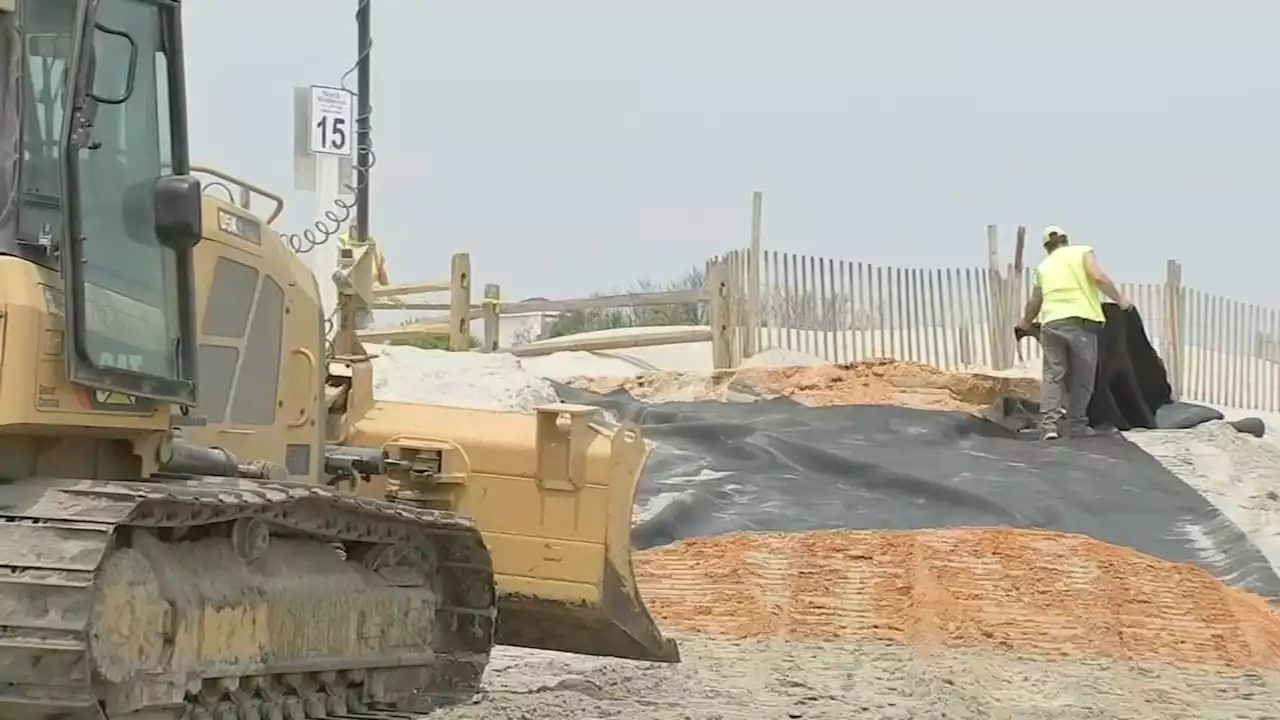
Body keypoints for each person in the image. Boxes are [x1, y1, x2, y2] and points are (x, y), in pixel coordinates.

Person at [1017, 225, 1131, 441]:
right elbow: (1098, 277)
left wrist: (1025, 322)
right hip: (1080, 322)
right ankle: (1077, 425)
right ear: (1065, 240)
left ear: (1046, 247)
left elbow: (1035, 301)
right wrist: (1121, 300)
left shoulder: (1043, 267)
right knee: (1082, 377)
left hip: (1051, 324)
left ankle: (1049, 426)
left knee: (1053, 376)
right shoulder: (1082, 252)